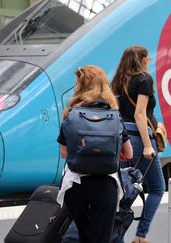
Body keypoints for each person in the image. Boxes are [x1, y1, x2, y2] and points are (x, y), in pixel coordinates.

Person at [57, 65, 133, 243]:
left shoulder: (71, 114)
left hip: (75, 184)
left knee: (84, 236)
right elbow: (129, 153)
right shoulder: (115, 116)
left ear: (81, 86)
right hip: (105, 184)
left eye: (77, 83)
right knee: (101, 238)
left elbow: (63, 153)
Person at [111, 45, 165, 243]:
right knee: (157, 188)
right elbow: (139, 113)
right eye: (148, 58)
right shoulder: (144, 79)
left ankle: (116, 236)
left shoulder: (117, 81)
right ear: (142, 59)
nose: (149, 61)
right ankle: (141, 236)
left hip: (122, 138)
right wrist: (148, 145)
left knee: (124, 190)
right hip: (139, 139)